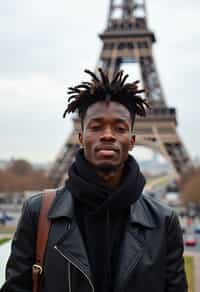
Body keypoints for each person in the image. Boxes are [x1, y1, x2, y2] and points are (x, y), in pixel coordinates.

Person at [1, 69, 188, 292]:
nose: (107, 134)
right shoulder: (36, 212)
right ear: (80, 137)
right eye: (96, 126)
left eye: (119, 128)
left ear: (132, 140)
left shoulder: (165, 222)